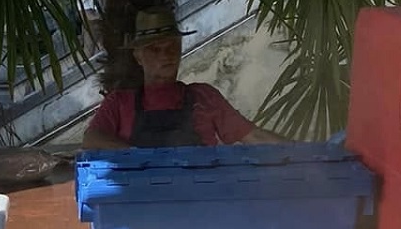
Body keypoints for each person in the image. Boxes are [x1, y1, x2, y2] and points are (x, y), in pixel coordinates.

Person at [81, 9, 282, 150]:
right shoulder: (119, 103)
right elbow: (92, 139)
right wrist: (137, 155)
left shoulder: (204, 97)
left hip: (200, 200)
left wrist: (304, 153)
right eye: (154, 49)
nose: (166, 55)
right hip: (142, 202)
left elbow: (252, 136)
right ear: (138, 56)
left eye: (172, 47)